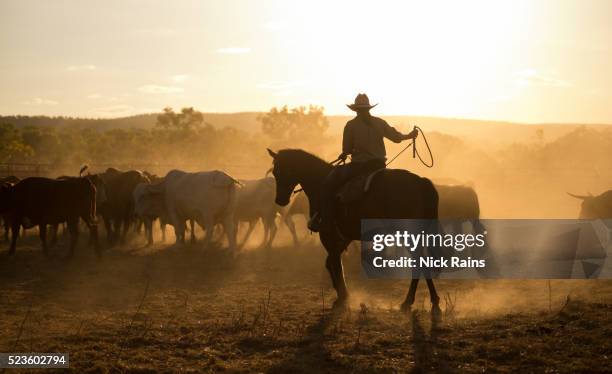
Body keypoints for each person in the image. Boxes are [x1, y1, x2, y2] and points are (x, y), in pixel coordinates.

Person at [308, 93, 418, 233]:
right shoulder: (379, 123)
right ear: (368, 109)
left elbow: (347, 149)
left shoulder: (351, 125)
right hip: (379, 165)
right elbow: (396, 138)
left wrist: (344, 154)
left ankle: (323, 219)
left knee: (329, 183)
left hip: (359, 166)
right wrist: (410, 135)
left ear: (356, 110)